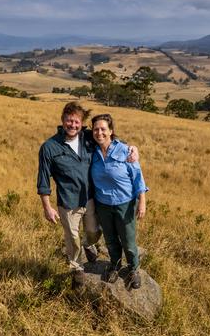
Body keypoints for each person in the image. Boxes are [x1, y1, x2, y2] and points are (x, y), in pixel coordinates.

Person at [37, 102, 138, 286]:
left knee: (94, 232)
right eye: (69, 121)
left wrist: (131, 148)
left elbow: (108, 140)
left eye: (77, 122)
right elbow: (43, 180)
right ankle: (77, 268)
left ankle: (88, 244)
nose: (73, 125)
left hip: (91, 199)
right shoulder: (49, 147)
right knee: (72, 238)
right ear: (62, 120)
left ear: (82, 123)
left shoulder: (87, 138)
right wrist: (47, 207)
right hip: (68, 203)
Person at [90, 113, 147, 289]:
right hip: (103, 204)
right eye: (96, 129)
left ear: (111, 131)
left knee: (128, 239)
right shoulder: (92, 151)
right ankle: (115, 264)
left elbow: (138, 177)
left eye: (103, 129)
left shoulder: (125, 150)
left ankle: (133, 269)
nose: (99, 133)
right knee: (111, 239)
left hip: (125, 203)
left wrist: (142, 201)